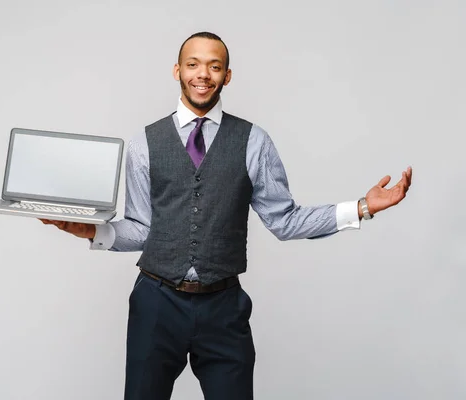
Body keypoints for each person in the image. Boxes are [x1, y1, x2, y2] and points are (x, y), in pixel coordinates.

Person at [40, 32, 412, 400]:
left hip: (223, 307)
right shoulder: (144, 143)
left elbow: (284, 220)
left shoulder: (254, 141)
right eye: (193, 64)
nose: (203, 74)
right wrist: (88, 230)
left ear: (226, 76)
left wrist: (361, 207)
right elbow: (141, 230)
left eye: (214, 66)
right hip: (156, 303)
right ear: (177, 71)